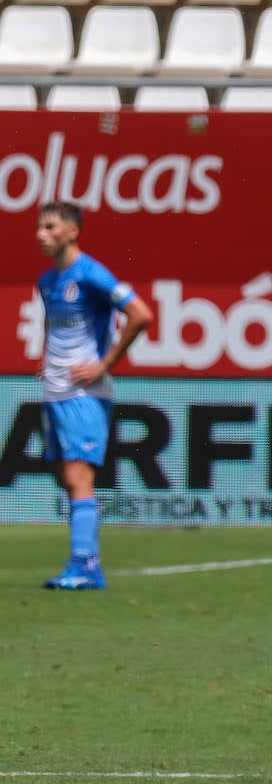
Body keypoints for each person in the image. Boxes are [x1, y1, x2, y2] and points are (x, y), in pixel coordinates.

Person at [35, 200, 153, 590]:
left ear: (73, 231)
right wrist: (47, 359)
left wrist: (105, 364)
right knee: (65, 479)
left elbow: (141, 314)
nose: (42, 234)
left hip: (86, 392)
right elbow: (54, 328)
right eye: (40, 227)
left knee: (78, 474)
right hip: (54, 390)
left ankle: (86, 566)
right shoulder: (47, 281)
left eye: (51, 227)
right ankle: (84, 563)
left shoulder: (91, 274)